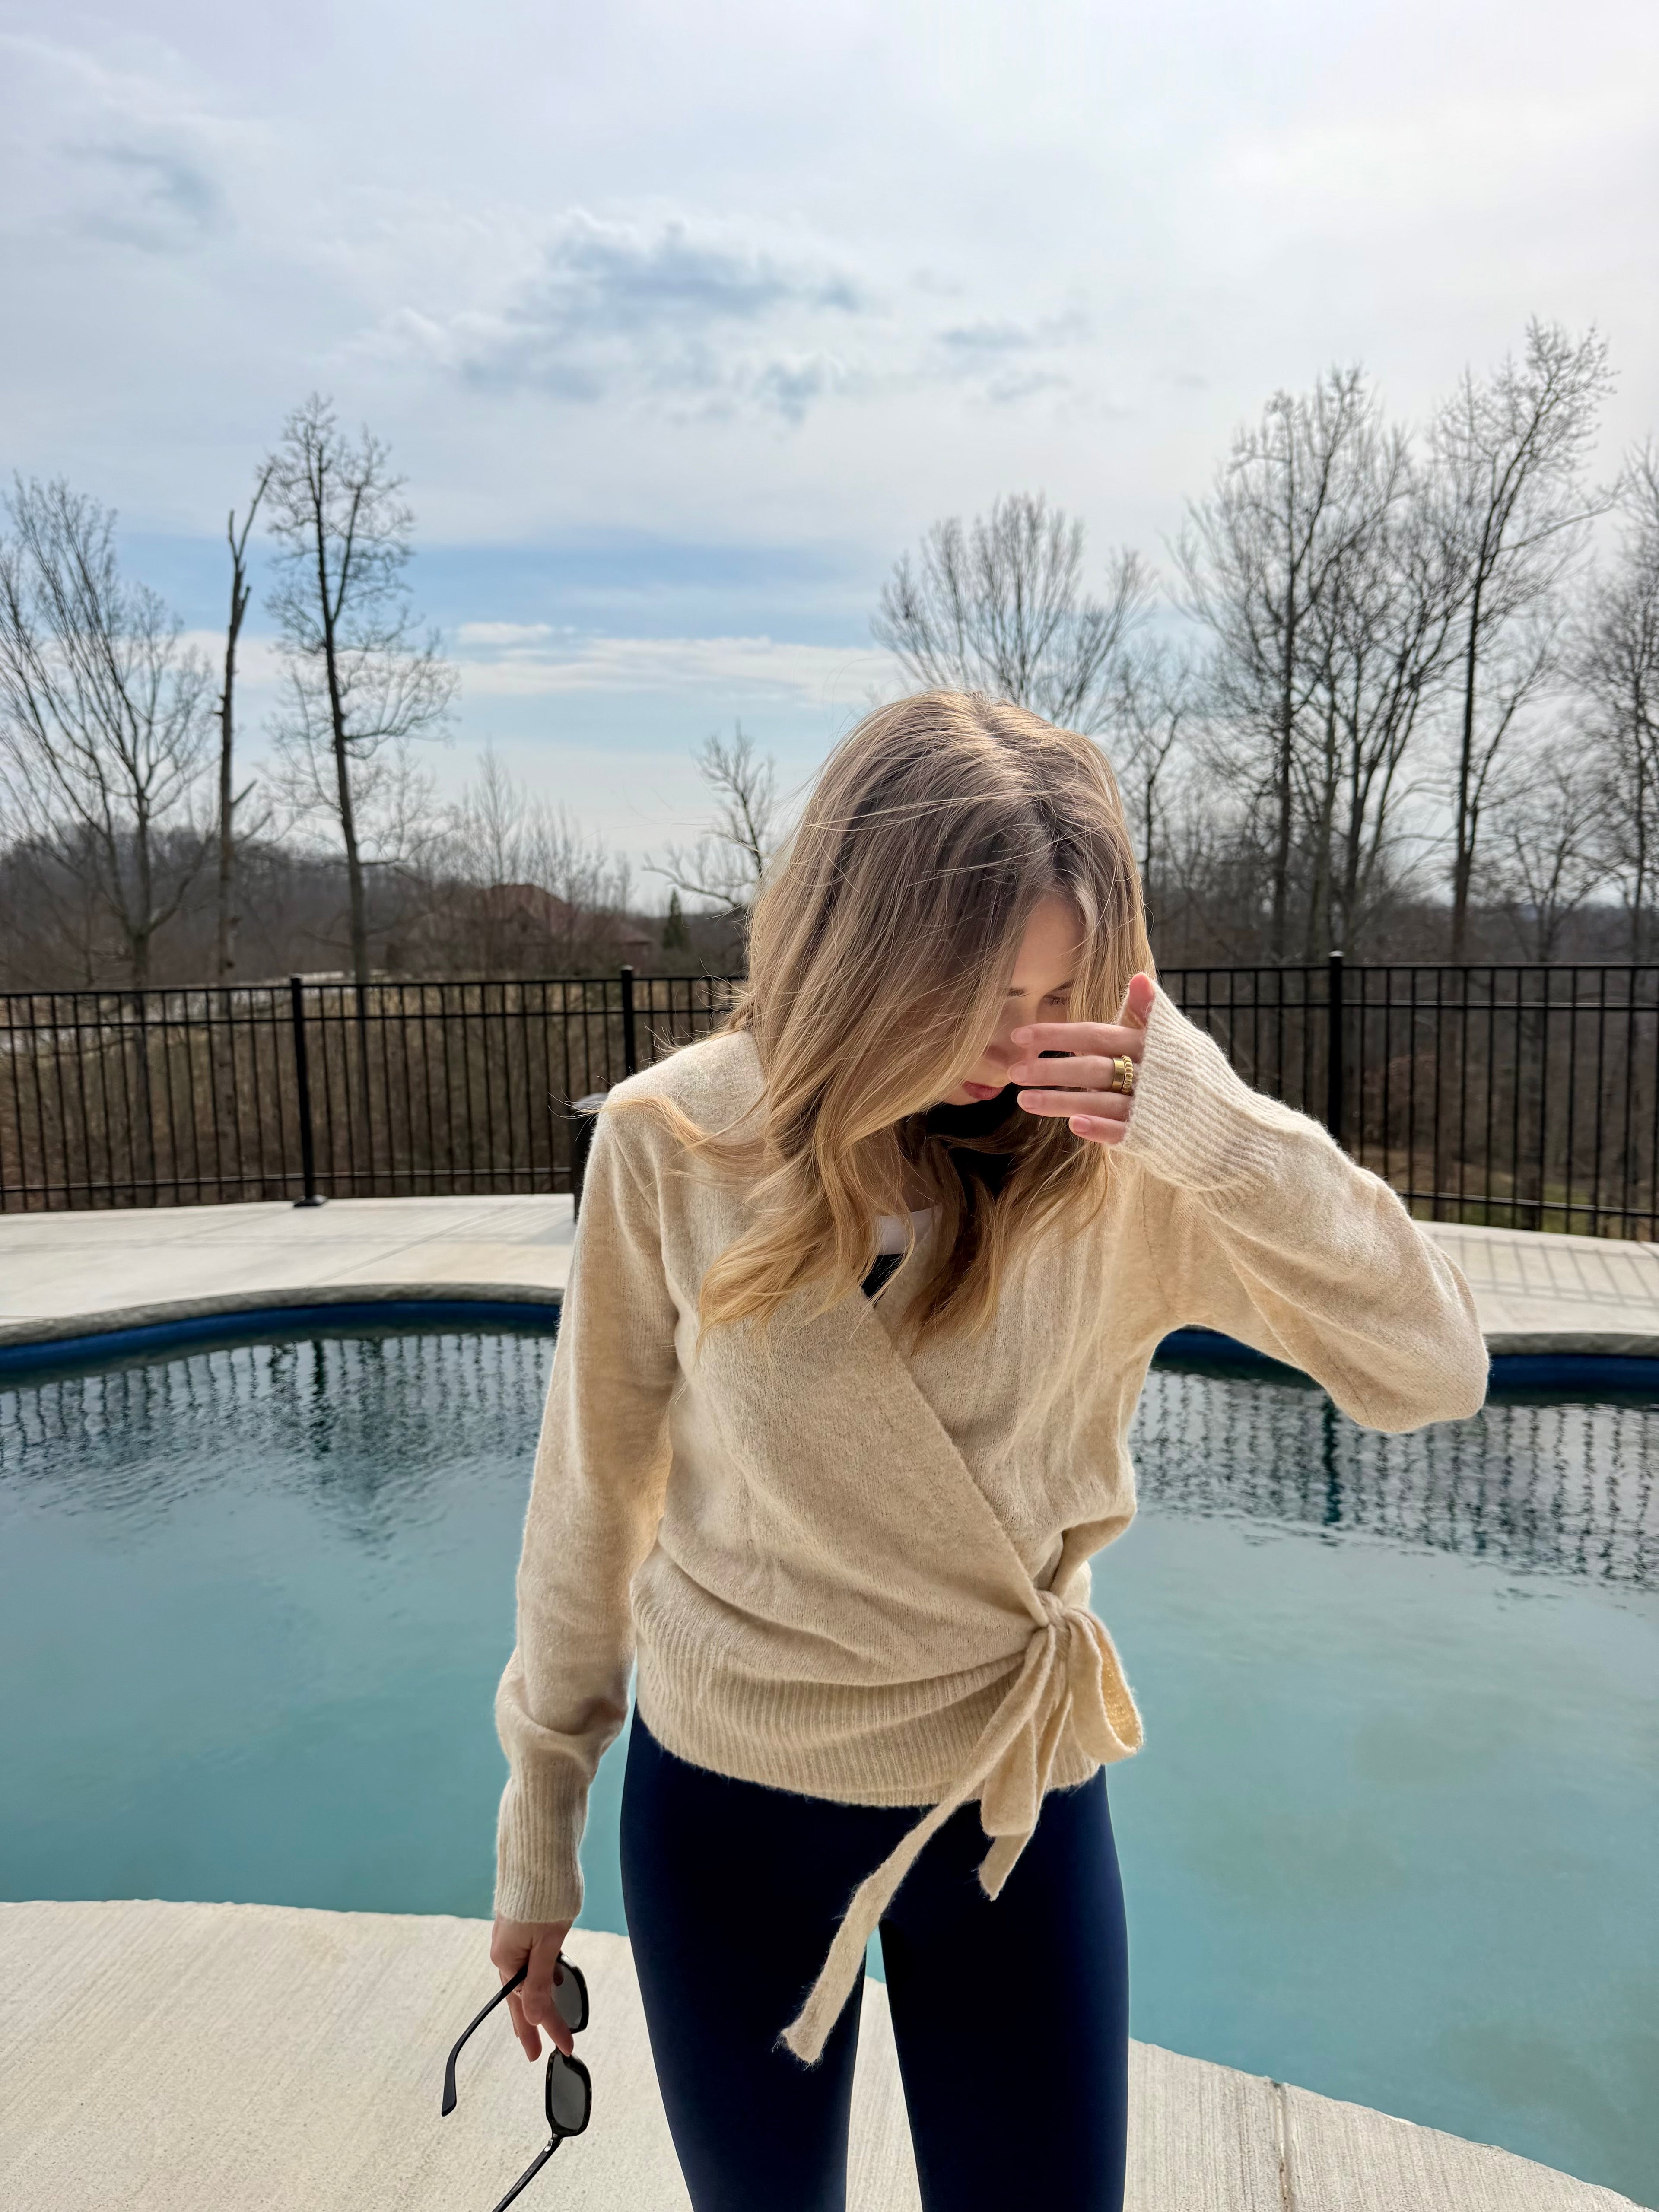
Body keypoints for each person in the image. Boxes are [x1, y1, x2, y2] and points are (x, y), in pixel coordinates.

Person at [487, 691, 1488, 2211]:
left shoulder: (1122, 1172)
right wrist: (537, 1835)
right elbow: (590, 1506)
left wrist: (1219, 1133)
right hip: (727, 1805)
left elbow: (1435, 1368)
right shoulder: (674, 1145)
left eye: (1049, 993)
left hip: (1011, 1796)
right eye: (965, 991)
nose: (1007, 1044)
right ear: (859, 952)